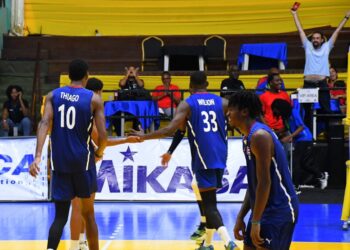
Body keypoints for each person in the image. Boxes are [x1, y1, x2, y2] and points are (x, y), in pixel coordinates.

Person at [130, 71, 238, 250]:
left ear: (189, 86)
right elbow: (182, 131)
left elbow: (169, 130)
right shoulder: (224, 102)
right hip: (221, 155)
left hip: (204, 157)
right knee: (206, 196)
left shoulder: (187, 104)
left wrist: (144, 137)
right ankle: (207, 243)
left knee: (209, 205)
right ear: (208, 84)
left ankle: (228, 242)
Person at [29, 59, 108, 250]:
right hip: (83, 162)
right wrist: (99, 151)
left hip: (61, 163)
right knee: (88, 215)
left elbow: (44, 123)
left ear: (69, 75)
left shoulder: (53, 95)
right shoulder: (93, 99)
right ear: (86, 75)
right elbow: (103, 135)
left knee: (60, 217)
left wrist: (38, 156)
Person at [69, 77, 140, 250]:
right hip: (83, 162)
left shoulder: (77, 105)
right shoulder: (90, 109)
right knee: (80, 208)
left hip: (72, 158)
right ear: (98, 92)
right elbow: (102, 139)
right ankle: (74, 245)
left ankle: (80, 242)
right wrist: (122, 142)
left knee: (82, 207)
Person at [227, 90, 299, 250]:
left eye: (231, 109)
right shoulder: (248, 138)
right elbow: (255, 183)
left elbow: (265, 183)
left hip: (279, 209)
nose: (228, 113)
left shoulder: (260, 136)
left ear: (244, 111)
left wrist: (256, 221)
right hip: (262, 208)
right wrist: (241, 217)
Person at [291, 8, 350, 130]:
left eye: (317, 38)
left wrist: (346, 18)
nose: (315, 40)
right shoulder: (307, 46)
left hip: (322, 84)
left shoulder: (327, 47)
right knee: (306, 112)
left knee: (326, 110)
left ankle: (329, 135)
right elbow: (300, 31)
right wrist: (294, 14)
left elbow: (337, 32)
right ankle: (307, 137)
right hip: (308, 84)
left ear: (322, 39)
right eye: (313, 38)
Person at [271, 98, 328, 194]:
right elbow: (287, 127)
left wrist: (290, 137)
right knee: (303, 163)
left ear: (280, 107)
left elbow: (301, 127)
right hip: (299, 140)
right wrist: (276, 132)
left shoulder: (293, 112)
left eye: (275, 109)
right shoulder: (286, 116)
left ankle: (295, 187)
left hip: (305, 139)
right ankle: (321, 175)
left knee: (295, 163)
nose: (274, 111)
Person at [160, 130, 207, 243]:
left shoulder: (192, 114)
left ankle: (222, 238)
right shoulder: (191, 117)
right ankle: (204, 226)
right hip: (201, 155)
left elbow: (175, 128)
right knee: (197, 188)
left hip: (208, 154)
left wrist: (146, 136)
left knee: (205, 195)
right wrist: (170, 151)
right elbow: (180, 131)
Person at [112, 66, 145, 135]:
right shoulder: (123, 80)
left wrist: (136, 75)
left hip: (136, 109)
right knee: (115, 117)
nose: (131, 71)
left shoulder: (139, 80)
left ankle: (136, 134)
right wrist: (126, 75)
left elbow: (141, 85)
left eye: (133, 70)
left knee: (140, 116)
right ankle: (120, 135)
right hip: (124, 108)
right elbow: (121, 84)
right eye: (129, 70)